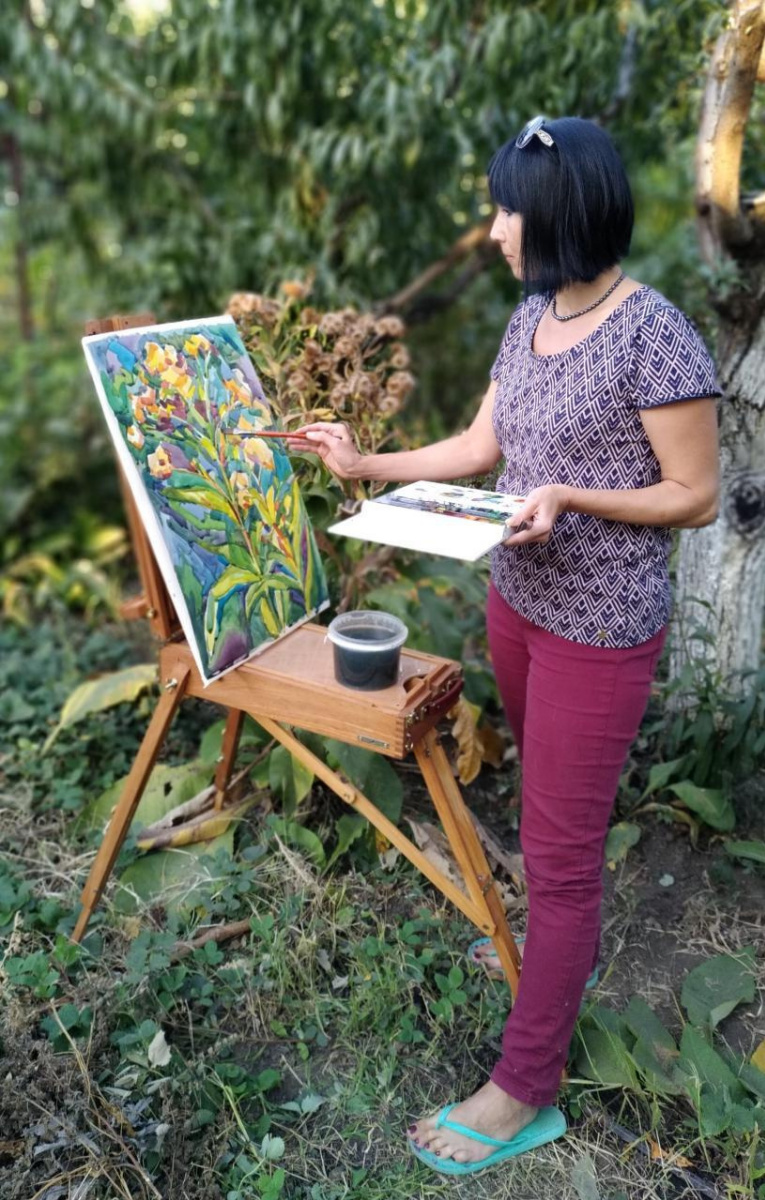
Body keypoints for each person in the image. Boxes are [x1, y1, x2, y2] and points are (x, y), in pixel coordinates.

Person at [289, 115, 722, 1176]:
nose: (490, 232)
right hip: (518, 608)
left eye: (503, 209)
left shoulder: (653, 332)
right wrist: (365, 464)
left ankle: (523, 1089)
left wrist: (569, 495)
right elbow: (484, 448)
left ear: (558, 212)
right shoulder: (530, 318)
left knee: (565, 863)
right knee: (542, 827)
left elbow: (697, 494)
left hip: (599, 627)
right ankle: (546, 981)